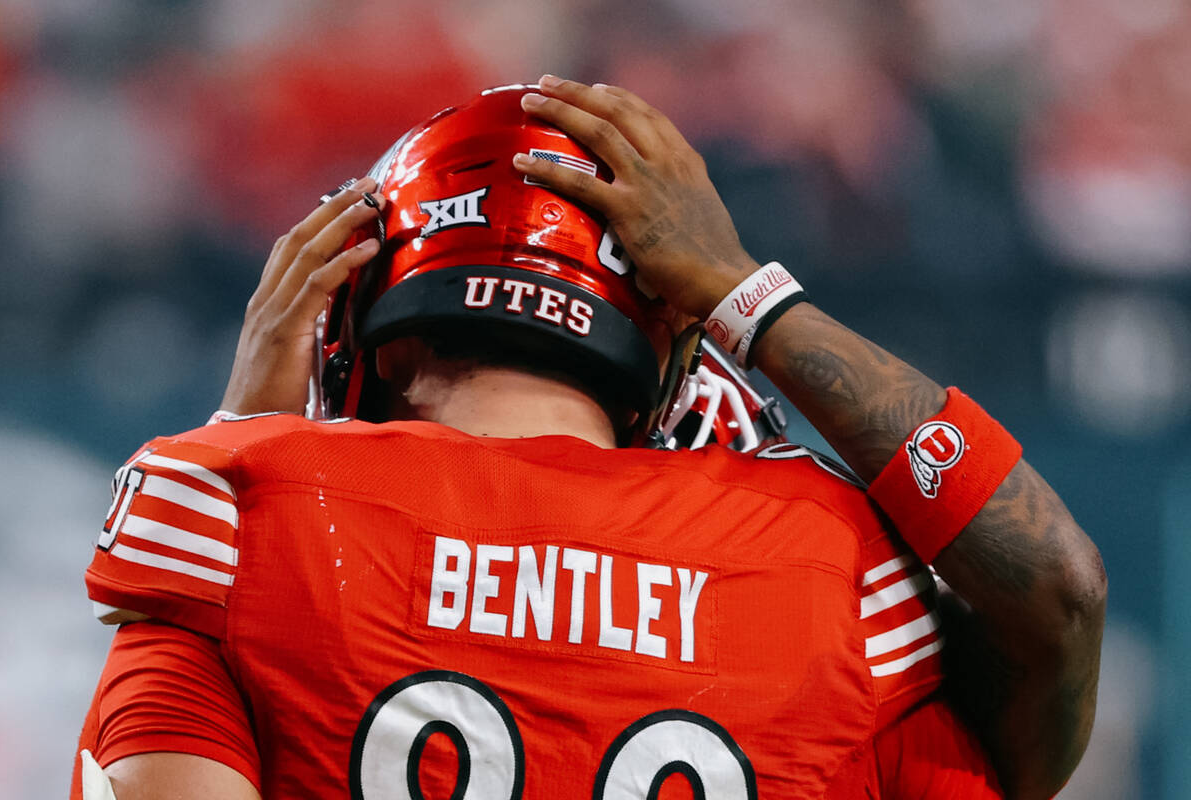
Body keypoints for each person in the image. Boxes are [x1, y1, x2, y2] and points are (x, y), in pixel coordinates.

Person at [72, 78, 1105, 799]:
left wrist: (248, 437)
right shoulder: (834, 562)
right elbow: (1058, 588)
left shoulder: (236, 511)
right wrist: (748, 293)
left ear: (364, 329)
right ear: (670, 345)